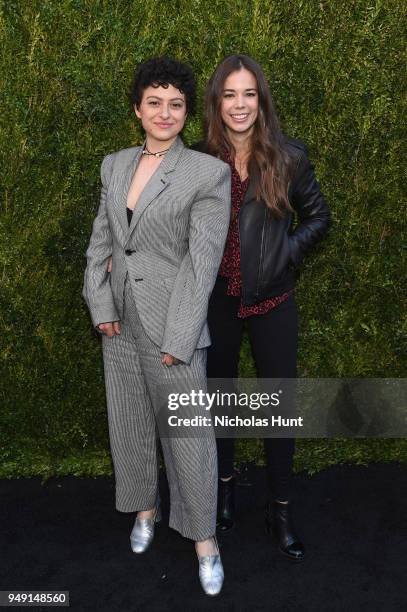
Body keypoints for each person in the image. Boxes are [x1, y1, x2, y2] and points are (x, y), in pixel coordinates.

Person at [82, 56, 231, 596]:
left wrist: (181, 337)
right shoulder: (113, 165)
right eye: (154, 103)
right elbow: (102, 242)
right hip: (120, 324)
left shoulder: (206, 174)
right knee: (129, 424)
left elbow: (202, 263)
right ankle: (144, 509)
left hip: (174, 328)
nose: (164, 113)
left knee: (189, 437)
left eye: (176, 105)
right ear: (137, 109)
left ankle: (205, 542)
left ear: (187, 112)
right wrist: (101, 307)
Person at [192, 54, 331, 560]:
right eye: (229, 94)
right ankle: (223, 491)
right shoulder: (196, 159)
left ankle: (281, 509)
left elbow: (318, 217)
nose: (239, 104)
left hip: (273, 300)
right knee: (219, 405)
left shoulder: (288, 157)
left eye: (248, 93)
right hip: (216, 301)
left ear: (261, 100)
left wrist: (282, 256)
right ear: (216, 102)